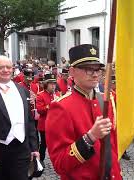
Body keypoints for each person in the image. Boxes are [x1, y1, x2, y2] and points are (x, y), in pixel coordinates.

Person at [45, 44, 121, 179]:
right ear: (72, 72)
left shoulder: (106, 101)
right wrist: (90, 137)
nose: (95, 74)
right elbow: (59, 163)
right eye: (88, 69)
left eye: (98, 69)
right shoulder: (61, 107)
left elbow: (112, 147)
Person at [0, 56, 39, 180]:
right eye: (0, 67)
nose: (5, 70)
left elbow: (29, 122)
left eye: (8, 67)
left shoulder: (22, 90)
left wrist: (34, 147)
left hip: (20, 150)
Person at [36, 74, 60, 162]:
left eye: (54, 83)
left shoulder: (57, 94)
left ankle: (56, 159)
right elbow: (40, 110)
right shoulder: (41, 95)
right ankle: (40, 161)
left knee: (56, 144)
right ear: (46, 84)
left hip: (55, 124)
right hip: (44, 124)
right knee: (44, 144)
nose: (53, 86)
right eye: (51, 84)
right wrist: (51, 105)